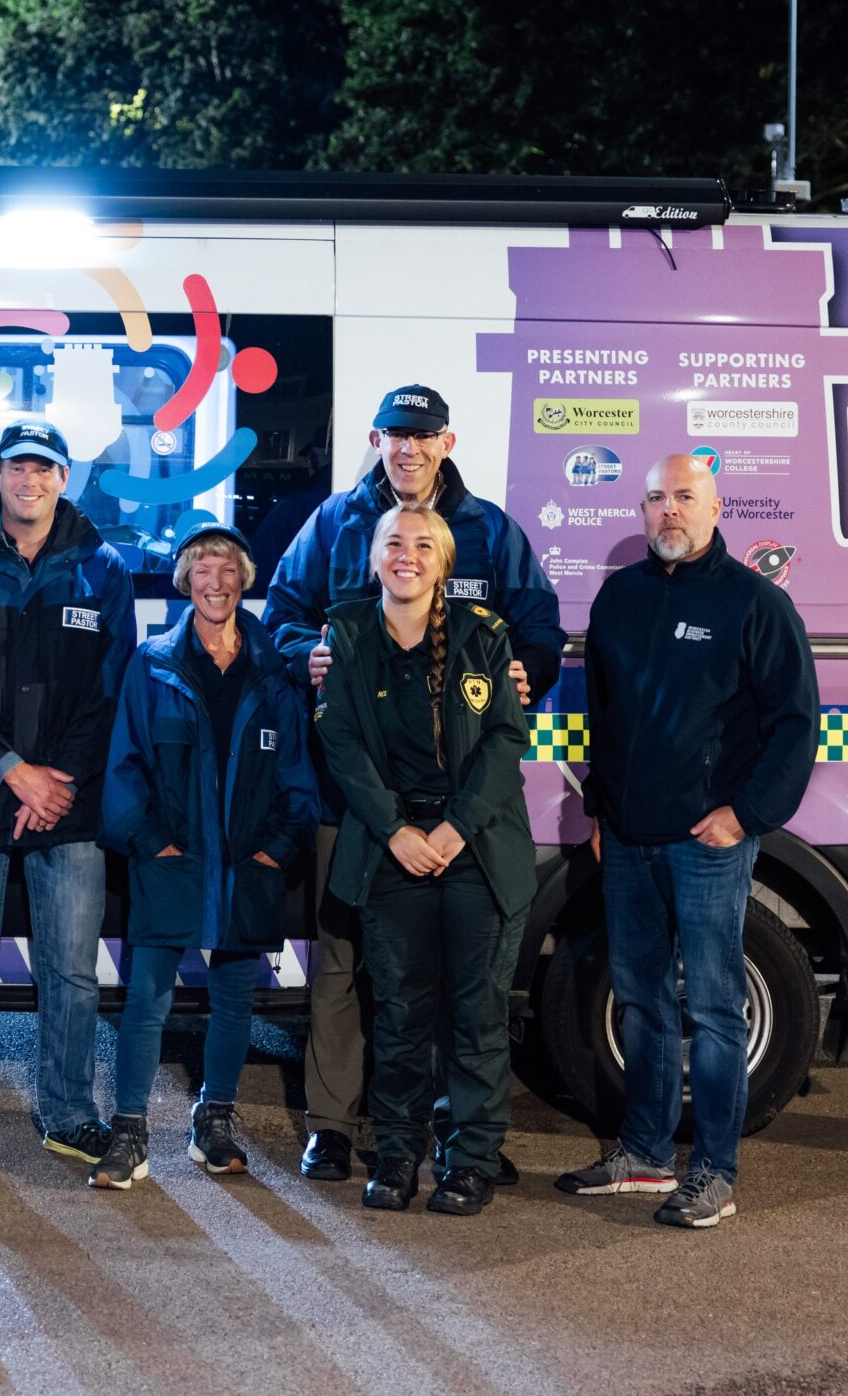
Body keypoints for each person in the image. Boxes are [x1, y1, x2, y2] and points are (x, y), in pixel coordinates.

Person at [264, 383, 561, 1184]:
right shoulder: (334, 524)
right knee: (341, 961)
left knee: (448, 973)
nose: (410, 449)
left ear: (446, 444)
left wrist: (525, 674)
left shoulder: (489, 530)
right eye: (397, 435)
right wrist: (306, 655)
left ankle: (454, 1132)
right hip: (353, 799)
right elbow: (281, 616)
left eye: (424, 436)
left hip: (454, 806)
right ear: (378, 440)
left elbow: (537, 627)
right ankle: (332, 1125)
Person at [556, 453, 818, 1229]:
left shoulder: (754, 604)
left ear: (715, 508)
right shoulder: (620, 599)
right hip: (629, 839)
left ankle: (713, 1173)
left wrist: (744, 815)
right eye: (656, 499)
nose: (669, 511)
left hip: (706, 844)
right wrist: (601, 810)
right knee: (640, 1001)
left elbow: (796, 726)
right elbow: (605, 720)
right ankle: (643, 1153)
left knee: (712, 1008)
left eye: (684, 497)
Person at [0, 420, 135, 1173]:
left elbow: (110, 690)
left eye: (43, 469)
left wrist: (57, 780)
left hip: (67, 803)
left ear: (63, 478)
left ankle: (70, 1115)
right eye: (16, 468)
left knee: (71, 969)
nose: (29, 481)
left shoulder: (102, 569)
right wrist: (15, 769)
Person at [315, 506, 532, 1214]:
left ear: (442, 563)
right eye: (393, 544)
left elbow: (505, 741)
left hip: (476, 849)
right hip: (392, 851)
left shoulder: (484, 636)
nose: (406, 556)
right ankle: (400, 1154)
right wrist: (397, 832)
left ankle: (469, 1160)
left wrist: (456, 829)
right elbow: (341, 744)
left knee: (477, 1016)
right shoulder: (346, 633)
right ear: (373, 556)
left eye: (421, 547)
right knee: (402, 1016)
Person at [89, 523, 317, 1190]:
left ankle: (213, 1120)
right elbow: (125, 767)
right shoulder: (152, 662)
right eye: (202, 570)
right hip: (170, 860)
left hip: (248, 866)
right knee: (146, 1000)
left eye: (227, 571)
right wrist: (149, 842)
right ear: (184, 581)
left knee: (235, 998)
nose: (215, 583)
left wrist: (276, 852)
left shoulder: (273, 670)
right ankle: (129, 1131)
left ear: (244, 582)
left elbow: (298, 780)